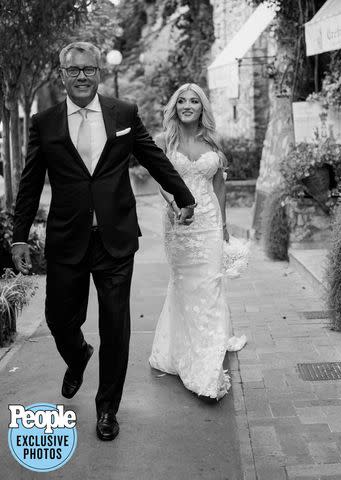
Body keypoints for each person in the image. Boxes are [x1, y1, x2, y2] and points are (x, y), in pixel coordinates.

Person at [11, 42, 196, 441]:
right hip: (67, 238)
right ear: (62, 74)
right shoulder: (45, 122)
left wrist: (183, 195)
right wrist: (19, 236)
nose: (82, 76)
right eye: (73, 70)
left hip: (115, 238)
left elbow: (152, 157)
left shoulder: (123, 113)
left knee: (115, 326)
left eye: (89, 69)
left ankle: (108, 409)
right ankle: (77, 356)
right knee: (60, 319)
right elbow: (29, 184)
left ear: (97, 72)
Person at [149, 83, 247, 401]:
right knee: (184, 286)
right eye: (182, 101)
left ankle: (206, 364)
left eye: (194, 101)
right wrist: (174, 205)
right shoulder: (167, 141)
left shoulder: (212, 142)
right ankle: (180, 349)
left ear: (202, 108)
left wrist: (223, 226)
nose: (188, 105)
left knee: (210, 286)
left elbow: (219, 185)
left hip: (207, 224)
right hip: (178, 225)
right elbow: (161, 180)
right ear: (175, 107)